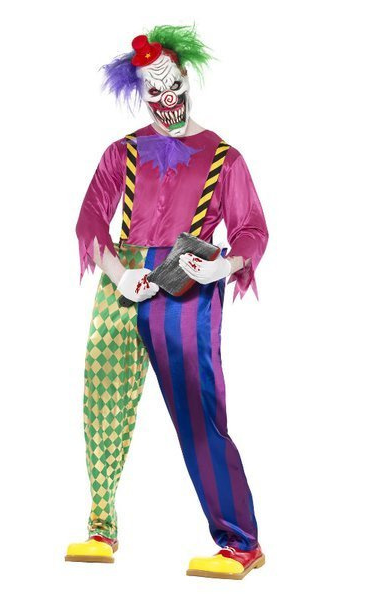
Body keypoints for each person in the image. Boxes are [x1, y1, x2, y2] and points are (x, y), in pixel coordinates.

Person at [65, 25, 269, 581]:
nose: (167, 98)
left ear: (186, 79)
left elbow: (252, 228)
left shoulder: (224, 158)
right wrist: (118, 273)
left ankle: (241, 542)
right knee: (102, 401)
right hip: (124, 280)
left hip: (187, 282)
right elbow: (90, 219)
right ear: (142, 94)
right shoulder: (122, 152)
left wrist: (222, 265)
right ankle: (101, 528)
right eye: (154, 90)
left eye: (174, 85)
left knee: (198, 412)